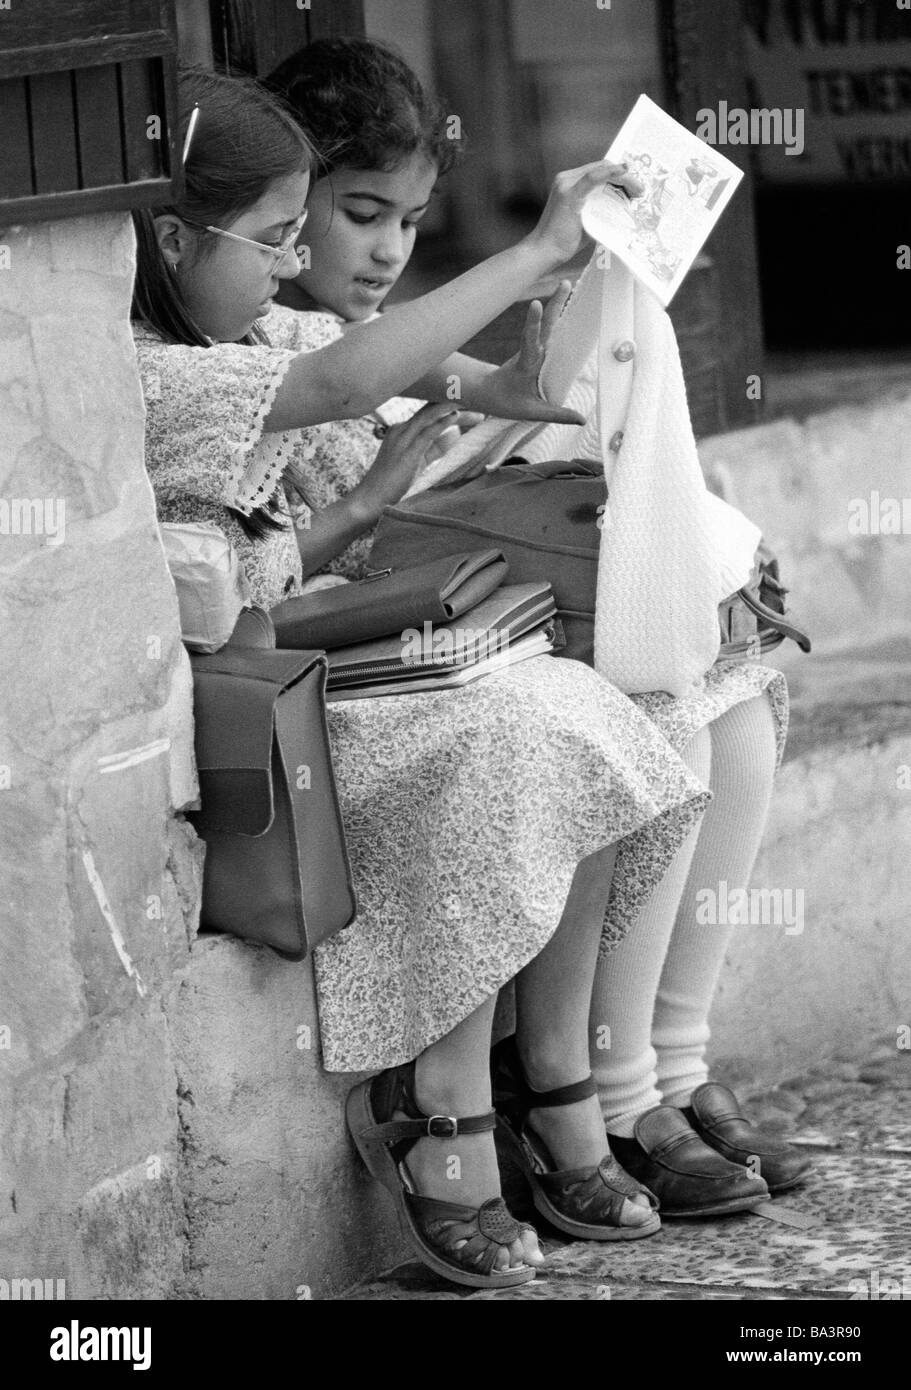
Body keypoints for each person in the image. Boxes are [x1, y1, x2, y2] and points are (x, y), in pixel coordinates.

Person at [132, 64, 718, 1289]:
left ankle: (557, 1074)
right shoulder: (145, 371)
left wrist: (555, 317)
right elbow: (343, 385)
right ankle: (439, 1091)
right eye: (277, 239)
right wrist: (525, 253)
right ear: (173, 237)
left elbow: (469, 390)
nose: (295, 269)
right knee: (514, 726)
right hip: (256, 716)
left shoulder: (252, 322)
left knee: (610, 705)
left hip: (305, 660)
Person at [267, 37, 814, 1220]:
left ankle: (667, 1061)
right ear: (276, 201)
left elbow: (507, 392)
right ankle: (598, 1085)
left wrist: (579, 313)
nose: (388, 252)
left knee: (735, 687)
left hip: (463, 618)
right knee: (651, 711)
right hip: (385, 653)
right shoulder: (279, 350)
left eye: (410, 223)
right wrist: (528, 260)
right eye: (359, 215)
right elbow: (353, 390)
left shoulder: (366, 336)